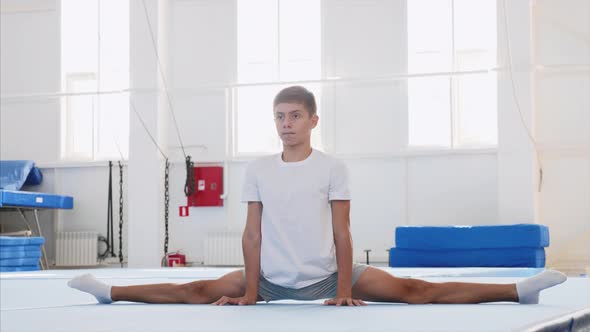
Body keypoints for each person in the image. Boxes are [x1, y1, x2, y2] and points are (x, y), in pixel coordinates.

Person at [68, 86, 566, 306]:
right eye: (279, 117)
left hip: (328, 276)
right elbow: (252, 231)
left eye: (294, 117)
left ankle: (517, 290)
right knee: (196, 291)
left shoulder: (332, 167)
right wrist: (250, 289)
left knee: (416, 291)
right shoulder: (259, 169)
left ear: (312, 120)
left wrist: (344, 288)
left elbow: (342, 231)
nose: (286, 125)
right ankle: (108, 291)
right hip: (269, 279)